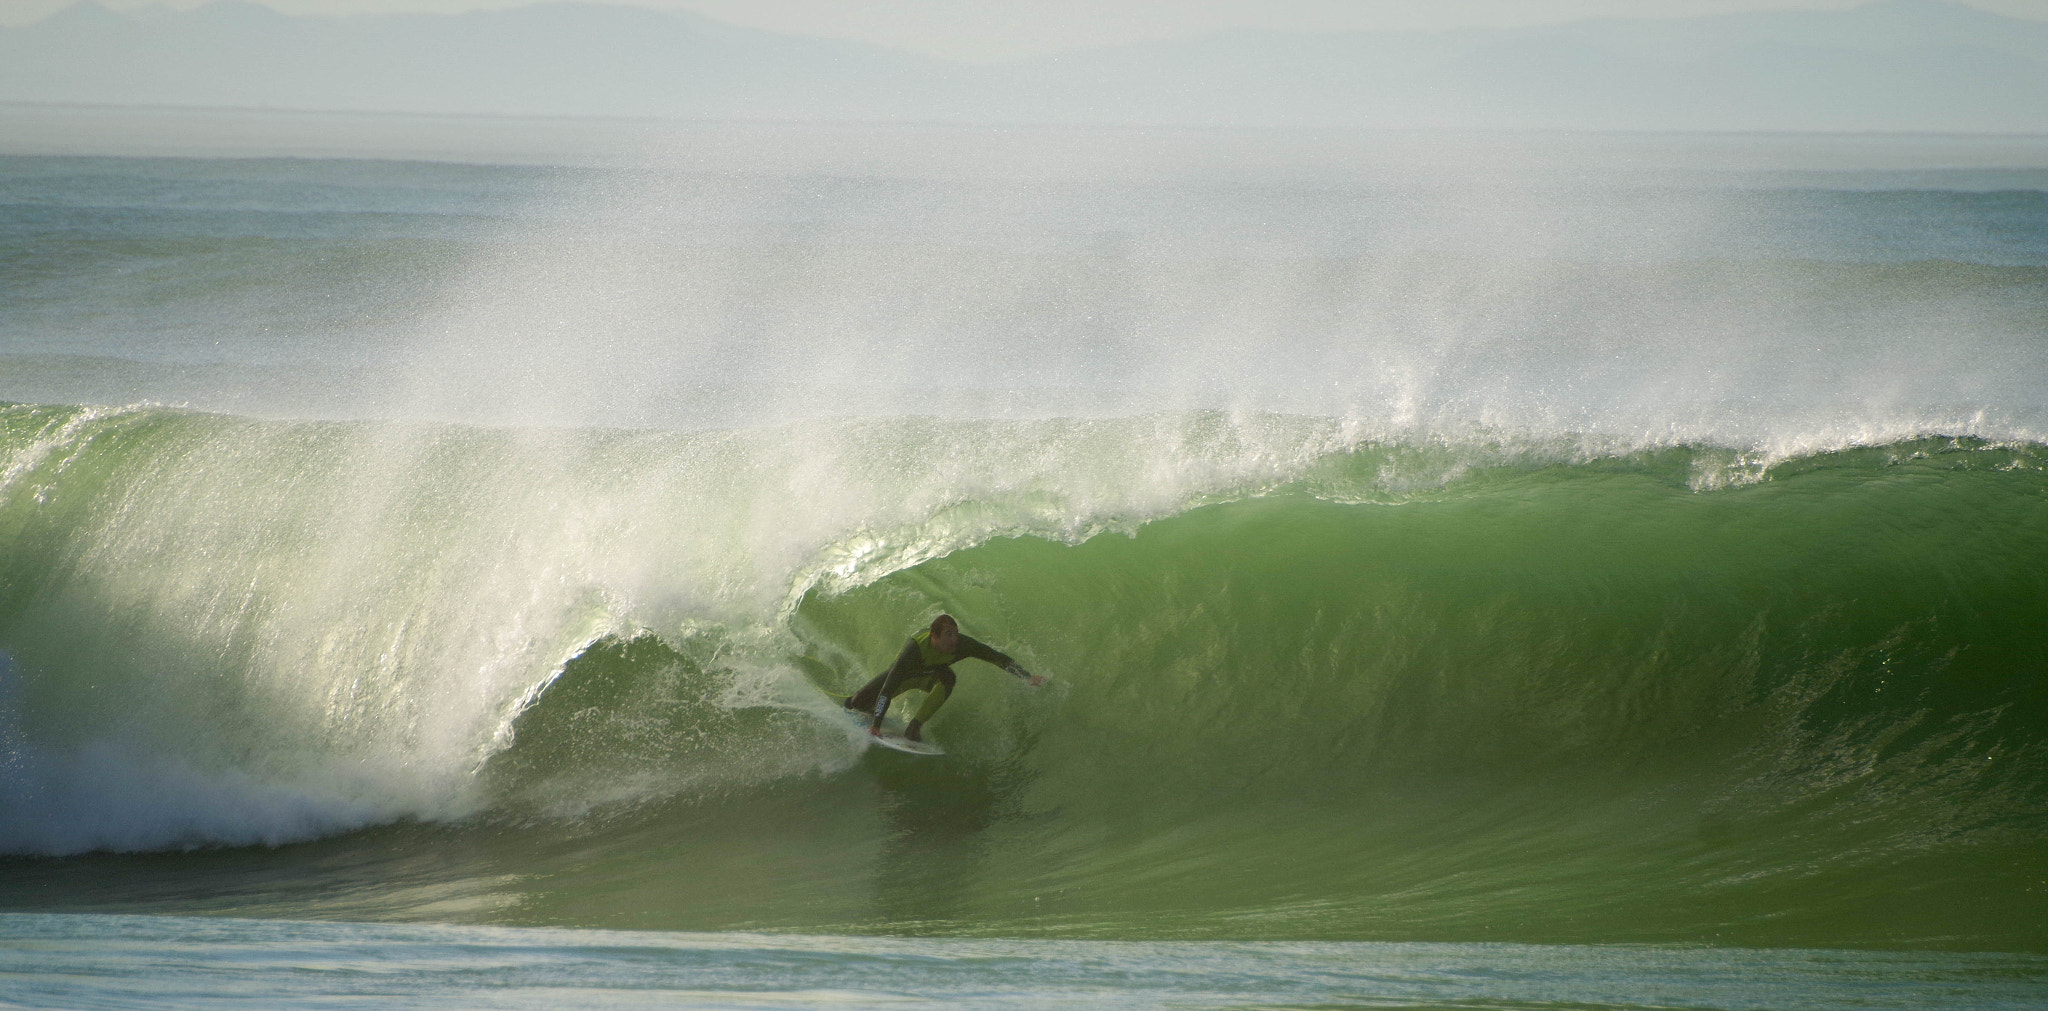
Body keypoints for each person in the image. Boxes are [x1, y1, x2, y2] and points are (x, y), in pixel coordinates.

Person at [844, 614, 1045, 742]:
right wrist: (876, 725)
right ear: (934, 636)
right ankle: (866, 706)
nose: (954, 639)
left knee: (948, 678)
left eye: (955, 634)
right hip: (905, 678)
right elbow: (888, 687)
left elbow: (995, 657)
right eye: (948, 634)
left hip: (930, 677)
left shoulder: (962, 646)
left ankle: (913, 728)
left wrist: (1026, 677)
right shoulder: (913, 650)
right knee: (856, 703)